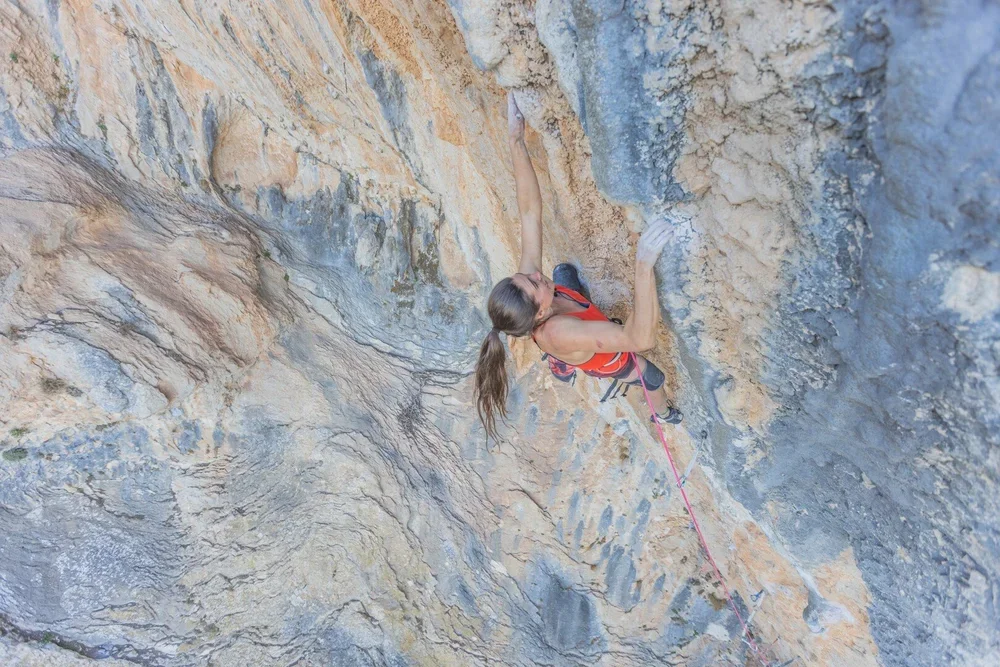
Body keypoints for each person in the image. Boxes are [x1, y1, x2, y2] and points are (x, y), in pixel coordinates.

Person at [475, 92, 683, 439]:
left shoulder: (531, 289)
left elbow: (529, 212)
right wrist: (643, 264)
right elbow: (639, 338)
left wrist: (515, 140)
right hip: (596, 354)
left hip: (570, 323)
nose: (534, 272)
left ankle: (561, 362)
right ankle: (663, 415)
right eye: (533, 283)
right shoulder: (559, 331)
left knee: (563, 275)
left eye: (524, 275)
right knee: (652, 378)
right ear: (541, 314)